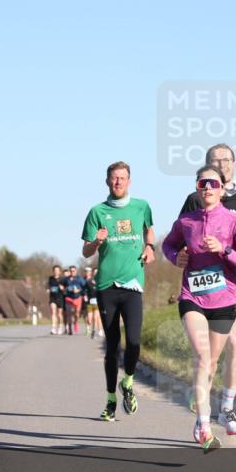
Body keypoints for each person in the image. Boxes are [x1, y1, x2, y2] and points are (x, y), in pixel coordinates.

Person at [163, 164, 236, 452]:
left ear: (222, 188)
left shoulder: (234, 222)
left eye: (213, 184)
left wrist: (225, 251)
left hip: (225, 301)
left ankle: (203, 418)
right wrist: (175, 257)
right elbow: (168, 245)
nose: (208, 188)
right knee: (203, 358)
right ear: (196, 186)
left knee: (212, 362)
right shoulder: (186, 221)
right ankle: (204, 425)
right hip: (192, 297)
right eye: (203, 183)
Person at [82, 161, 156, 421]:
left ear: (130, 181)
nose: (118, 182)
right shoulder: (97, 212)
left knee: (134, 341)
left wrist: (150, 248)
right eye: (114, 178)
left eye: (122, 178)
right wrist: (96, 241)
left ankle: (128, 381)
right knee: (112, 346)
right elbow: (86, 251)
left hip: (133, 284)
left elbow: (150, 231)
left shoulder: (141, 206)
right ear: (107, 182)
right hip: (106, 286)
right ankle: (111, 401)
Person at [61, 265, 86, 335]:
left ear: (76, 271)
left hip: (78, 298)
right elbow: (61, 285)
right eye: (71, 271)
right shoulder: (66, 279)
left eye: (73, 271)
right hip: (68, 298)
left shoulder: (80, 278)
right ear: (69, 271)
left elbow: (84, 287)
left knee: (77, 313)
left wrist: (78, 290)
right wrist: (63, 288)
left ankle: (76, 322)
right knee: (69, 313)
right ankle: (70, 328)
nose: (72, 272)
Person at [82, 266, 101, 338]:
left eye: (97, 272)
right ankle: (90, 327)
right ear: (93, 273)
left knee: (95, 317)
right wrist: (85, 295)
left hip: (98, 302)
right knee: (89, 319)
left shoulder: (101, 281)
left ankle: (94, 330)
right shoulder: (88, 281)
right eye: (94, 272)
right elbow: (84, 290)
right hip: (90, 302)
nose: (96, 273)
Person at [47, 265, 64, 335]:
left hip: (60, 297)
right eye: (55, 270)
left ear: (59, 272)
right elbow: (48, 286)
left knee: (59, 314)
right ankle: (53, 328)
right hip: (52, 298)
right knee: (53, 312)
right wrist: (48, 289)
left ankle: (60, 327)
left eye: (57, 270)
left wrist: (62, 288)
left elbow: (64, 289)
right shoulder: (50, 278)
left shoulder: (62, 279)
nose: (56, 272)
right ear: (53, 271)